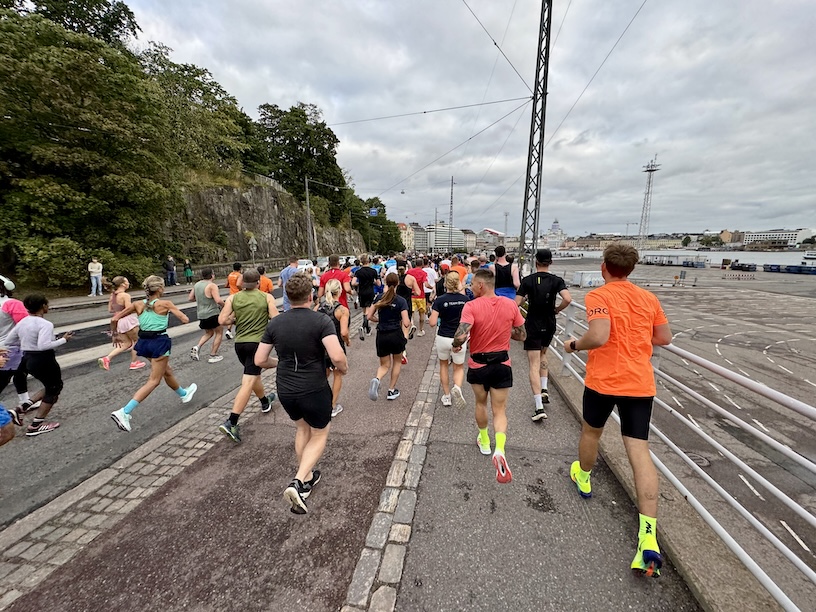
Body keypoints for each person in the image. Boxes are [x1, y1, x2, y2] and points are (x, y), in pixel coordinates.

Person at [564, 244, 672, 577]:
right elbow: (664, 337)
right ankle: (648, 535)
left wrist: (574, 345)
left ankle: (583, 477)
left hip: (604, 381)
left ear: (604, 267)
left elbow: (598, 336)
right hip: (640, 383)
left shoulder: (599, 295)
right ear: (631, 269)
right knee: (639, 451)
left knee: (591, 432)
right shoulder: (648, 298)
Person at [254, 273, 348, 514]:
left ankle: (306, 479)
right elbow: (337, 356)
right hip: (313, 387)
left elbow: (260, 359)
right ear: (310, 296)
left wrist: (280, 363)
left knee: (302, 429)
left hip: (286, 388)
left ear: (288, 296)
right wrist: (344, 368)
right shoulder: (321, 321)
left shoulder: (275, 323)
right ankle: (297, 480)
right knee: (319, 432)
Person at [452, 270, 526, 483]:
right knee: (500, 410)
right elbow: (522, 334)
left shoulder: (471, 306)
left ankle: (484, 442)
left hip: (479, 364)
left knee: (481, 404)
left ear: (481, 285)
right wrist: (505, 331)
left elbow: (460, 335)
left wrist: (456, 345)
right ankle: (499, 449)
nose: (470, 287)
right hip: (502, 363)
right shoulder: (510, 304)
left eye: (472, 284)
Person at [110, 276, 198, 432]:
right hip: (159, 343)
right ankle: (124, 412)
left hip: (144, 343)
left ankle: (184, 394)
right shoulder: (165, 304)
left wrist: (115, 335)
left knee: (166, 371)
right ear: (159, 289)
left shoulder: (138, 304)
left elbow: (115, 318)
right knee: (154, 381)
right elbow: (185, 319)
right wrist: (173, 313)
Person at [216, 269, 278, 442]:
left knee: (253, 374)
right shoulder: (266, 297)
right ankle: (232, 422)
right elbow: (275, 318)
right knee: (249, 380)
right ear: (258, 282)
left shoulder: (233, 298)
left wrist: (235, 320)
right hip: (257, 343)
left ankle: (265, 401)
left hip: (240, 344)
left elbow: (222, 320)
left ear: (242, 283)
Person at [2, 295, 75, 436]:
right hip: (43, 359)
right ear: (43, 306)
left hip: (26, 358)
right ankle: (35, 425)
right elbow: (43, 345)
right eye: (47, 304)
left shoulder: (23, 322)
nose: (48, 307)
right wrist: (64, 340)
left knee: (51, 386)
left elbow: (9, 341)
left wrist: (27, 343)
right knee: (54, 389)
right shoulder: (45, 324)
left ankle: (21, 408)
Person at [515, 249, 572, 421]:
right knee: (543, 354)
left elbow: (516, 303)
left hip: (533, 322)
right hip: (549, 322)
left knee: (533, 364)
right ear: (550, 262)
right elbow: (568, 299)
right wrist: (557, 309)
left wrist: (525, 301)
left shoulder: (528, 280)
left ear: (536, 262)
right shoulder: (557, 280)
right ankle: (545, 388)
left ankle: (539, 406)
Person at [0, 275, 42, 414]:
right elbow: (27, 325)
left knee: (20, 372)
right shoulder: (12, 304)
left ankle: (24, 401)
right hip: (11, 348)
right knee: (4, 378)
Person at [367, 273, 410, 401]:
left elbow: (369, 316)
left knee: (384, 365)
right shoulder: (401, 301)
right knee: (397, 362)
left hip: (382, 334)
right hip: (396, 334)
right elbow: (406, 323)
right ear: (398, 283)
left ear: (385, 282)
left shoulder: (379, 298)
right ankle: (391, 390)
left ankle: (377, 379)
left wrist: (378, 320)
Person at [429, 272, 470, 408]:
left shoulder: (440, 300)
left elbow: (432, 322)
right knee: (458, 367)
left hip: (443, 337)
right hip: (459, 337)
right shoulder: (465, 300)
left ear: (446, 283)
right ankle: (457, 387)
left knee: (443, 365)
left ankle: (446, 396)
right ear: (458, 283)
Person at [98, 276, 147, 372]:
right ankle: (134, 362)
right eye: (127, 281)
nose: (128, 283)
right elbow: (129, 309)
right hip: (128, 320)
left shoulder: (113, 295)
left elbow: (110, 309)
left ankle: (107, 358)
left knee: (126, 343)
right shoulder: (125, 295)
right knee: (137, 341)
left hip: (119, 321)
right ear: (123, 284)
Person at [319, 279, 351, 418]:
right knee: (337, 374)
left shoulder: (318, 307)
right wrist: (348, 341)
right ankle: (332, 406)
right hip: (336, 345)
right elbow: (344, 332)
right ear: (339, 291)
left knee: (323, 374)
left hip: (321, 346)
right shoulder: (342, 310)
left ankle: (319, 400)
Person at [189, 268, 225, 363]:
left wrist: (201, 299)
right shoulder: (212, 285)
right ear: (212, 275)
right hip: (212, 313)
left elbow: (190, 298)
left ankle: (197, 347)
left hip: (201, 313)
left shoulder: (197, 285)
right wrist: (225, 306)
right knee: (219, 332)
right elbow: (218, 300)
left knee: (209, 333)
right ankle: (213, 355)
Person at [353, 254, 380, 340]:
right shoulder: (373, 271)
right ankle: (363, 326)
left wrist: (360, 283)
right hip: (370, 291)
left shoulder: (358, 272)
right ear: (369, 261)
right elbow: (379, 283)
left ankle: (367, 329)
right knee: (368, 310)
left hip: (361, 292)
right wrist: (373, 282)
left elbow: (353, 283)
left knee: (364, 310)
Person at [406, 258, 430, 337]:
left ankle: (412, 324)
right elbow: (426, 284)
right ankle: (421, 330)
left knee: (411, 312)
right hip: (421, 295)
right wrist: (432, 287)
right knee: (421, 313)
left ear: (415, 264)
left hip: (411, 294)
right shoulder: (423, 273)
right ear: (422, 264)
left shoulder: (409, 272)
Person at [224, 262, 243, 339]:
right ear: (240, 268)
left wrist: (232, 286)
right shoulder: (239, 275)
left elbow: (226, 285)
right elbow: (238, 284)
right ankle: (240, 329)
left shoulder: (230, 275)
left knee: (232, 313)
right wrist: (241, 289)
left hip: (231, 295)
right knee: (240, 312)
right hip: (238, 295)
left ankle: (229, 330)